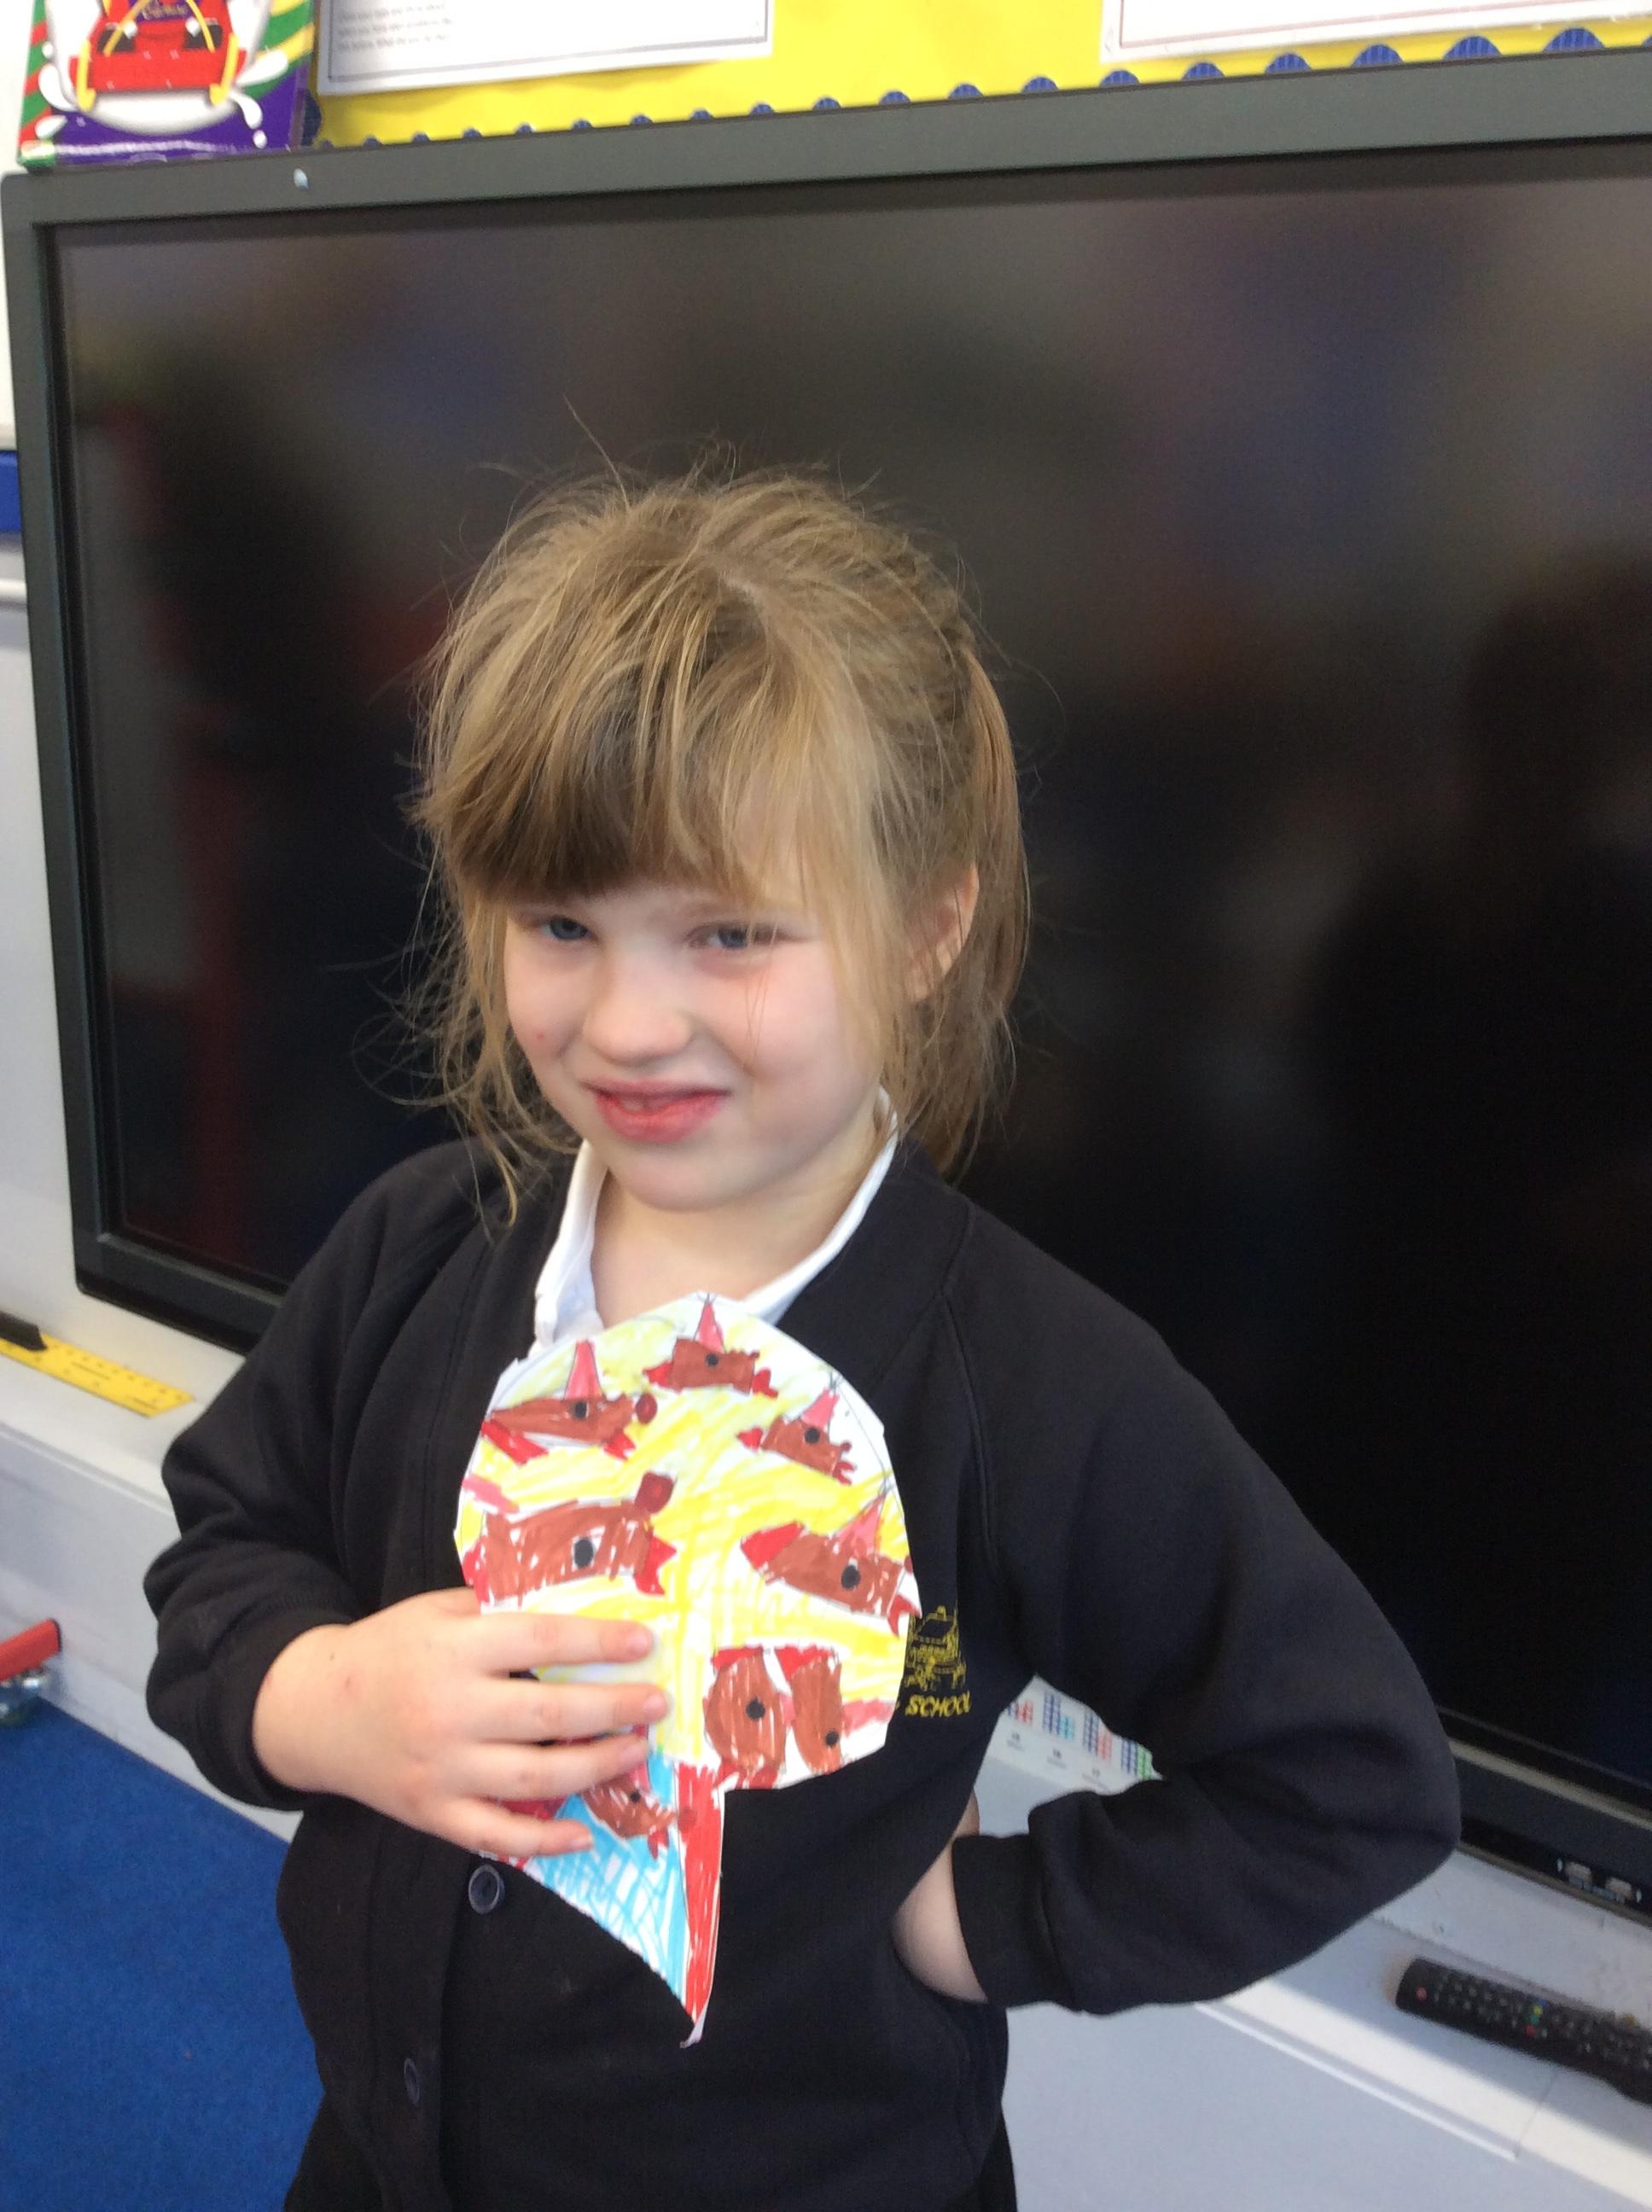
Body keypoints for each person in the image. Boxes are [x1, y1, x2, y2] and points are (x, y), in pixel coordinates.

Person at [143, 457, 1461, 2212]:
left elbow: (1349, 1773)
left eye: (730, 934)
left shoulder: (1034, 1387)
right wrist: (319, 1699)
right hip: (392, 2160)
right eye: (561, 924)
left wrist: (991, 1917)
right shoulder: (415, 1248)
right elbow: (224, 1542)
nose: (630, 1021)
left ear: (926, 929)